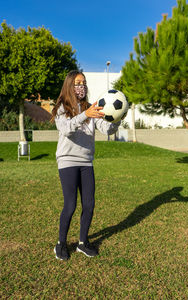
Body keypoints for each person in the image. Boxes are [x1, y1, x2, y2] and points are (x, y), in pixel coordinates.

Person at [51, 70, 120, 261]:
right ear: (69, 86)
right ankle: (61, 244)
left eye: (83, 83)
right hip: (67, 161)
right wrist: (85, 115)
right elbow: (66, 129)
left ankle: (82, 243)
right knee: (70, 205)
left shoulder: (91, 108)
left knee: (89, 204)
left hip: (86, 161)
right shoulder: (61, 108)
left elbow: (107, 129)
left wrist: (117, 117)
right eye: (77, 83)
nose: (81, 86)